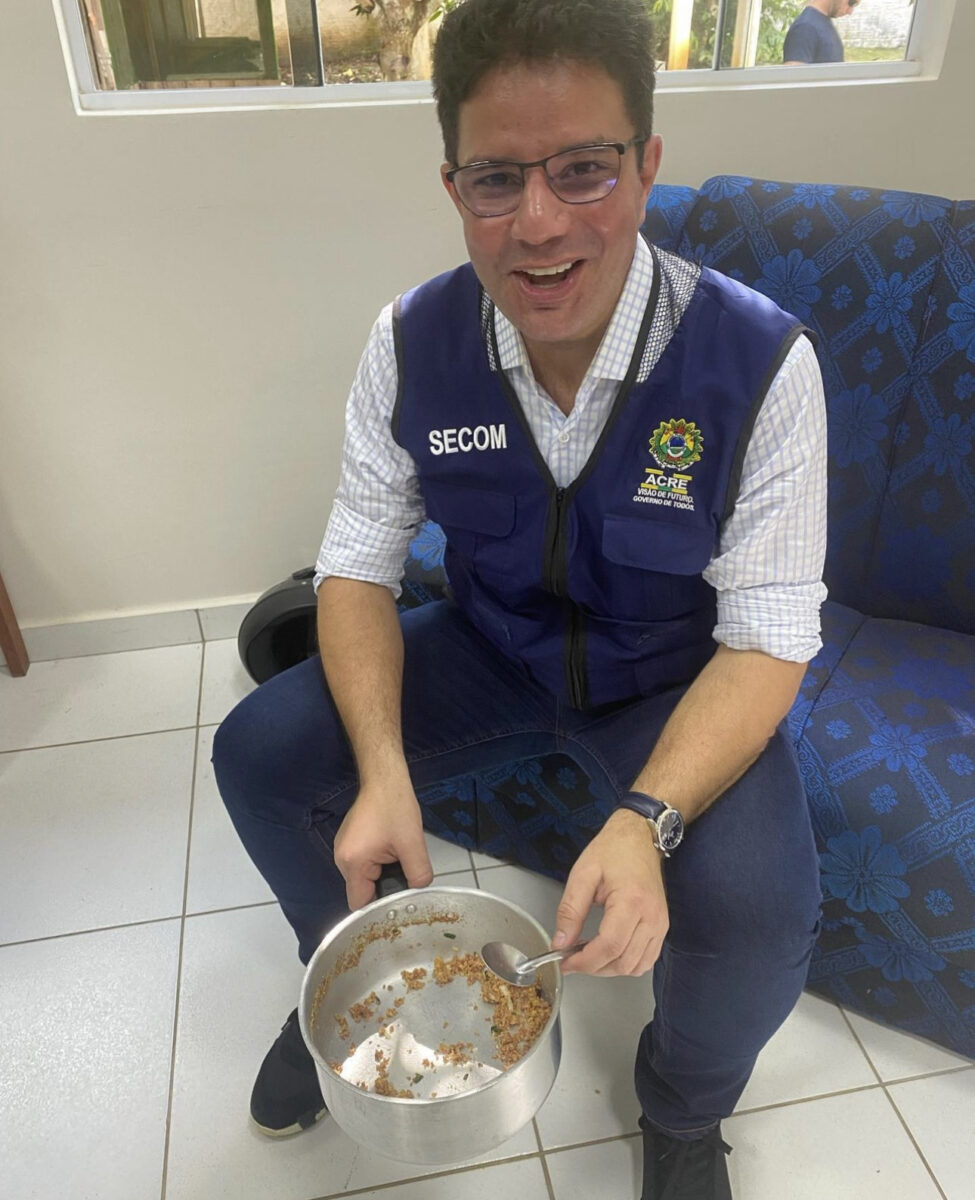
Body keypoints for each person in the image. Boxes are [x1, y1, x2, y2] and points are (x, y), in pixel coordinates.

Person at [213, 1, 827, 1196]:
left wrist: (646, 821)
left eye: (583, 168)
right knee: (260, 753)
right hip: (489, 650)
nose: (539, 224)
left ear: (645, 167)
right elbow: (357, 566)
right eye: (497, 179)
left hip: (672, 683)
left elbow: (767, 639)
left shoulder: (762, 367)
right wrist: (382, 770)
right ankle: (337, 969)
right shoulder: (411, 341)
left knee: (760, 917)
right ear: (455, 187)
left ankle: (684, 1111)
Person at [783, 0, 859, 66]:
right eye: (851, 2)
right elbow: (794, 75)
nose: (850, 11)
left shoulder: (821, 22)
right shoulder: (805, 27)